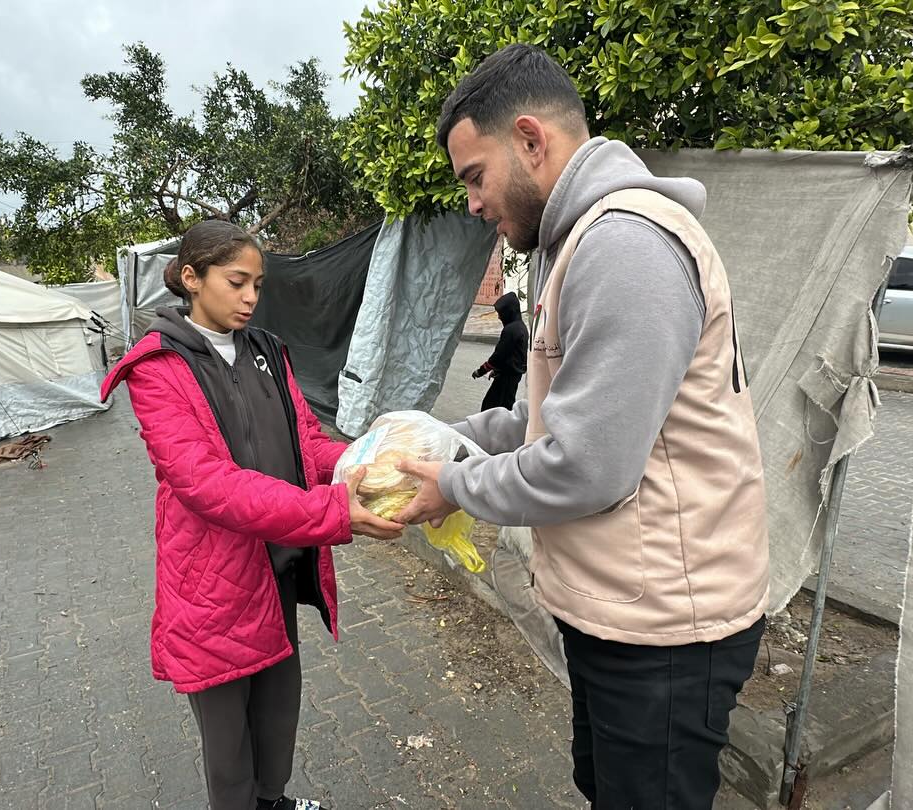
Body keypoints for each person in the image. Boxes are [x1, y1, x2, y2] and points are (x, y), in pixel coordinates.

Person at [395, 44, 770, 810]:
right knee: (603, 786)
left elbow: (586, 466)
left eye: (475, 176)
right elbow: (544, 419)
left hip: (667, 631)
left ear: (531, 140)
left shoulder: (622, 244)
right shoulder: (576, 243)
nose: (471, 204)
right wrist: (440, 440)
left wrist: (454, 486)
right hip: (625, 615)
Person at [100, 220, 404, 810]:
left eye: (258, 286)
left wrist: (368, 461)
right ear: (191, 278)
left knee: (276, 706)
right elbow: (206, 484)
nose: (250, 298)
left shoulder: (266, 351)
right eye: (237, 282)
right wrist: (330, 512)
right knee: (227, 733)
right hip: (214, 579)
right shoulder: (158, 368)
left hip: (278, 567)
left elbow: (305, 442)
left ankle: (274, 801)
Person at [471, 291, 528, 412]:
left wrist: (481, 371)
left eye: (501, 313)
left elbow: (498, 356)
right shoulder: (520, 327)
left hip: (508, 376)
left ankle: (494, 430)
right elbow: (511, 355)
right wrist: (497, 370)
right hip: (511, 375)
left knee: (492, 408)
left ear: (509, 312)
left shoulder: (511, 330)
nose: (499, 317)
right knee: (503, 405)